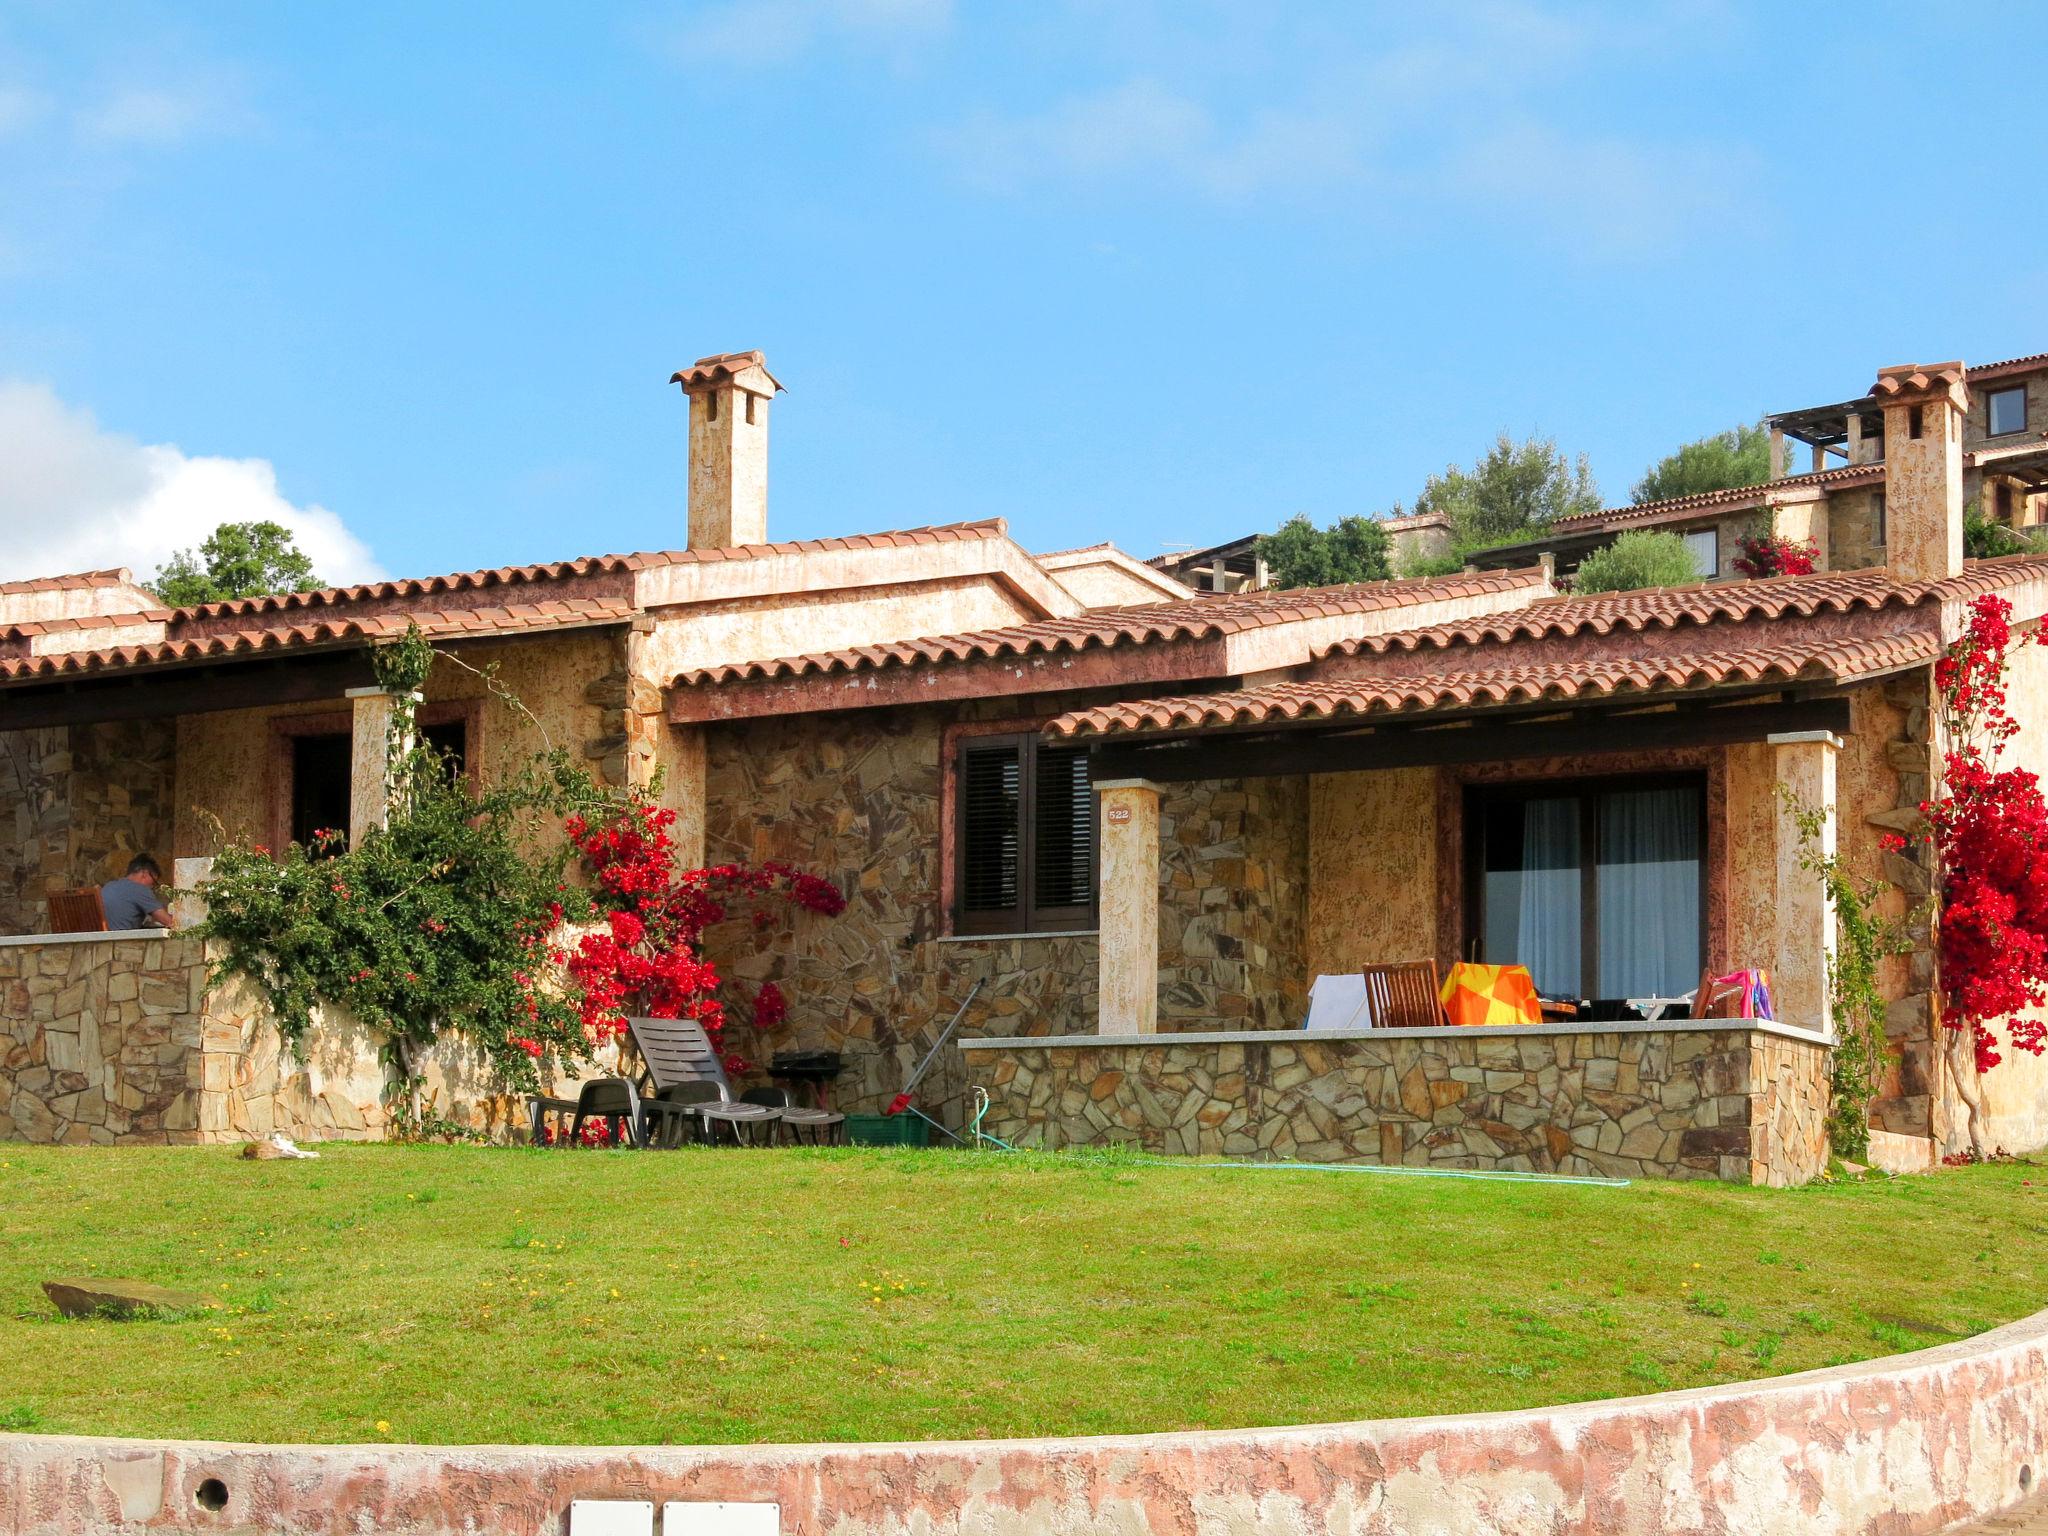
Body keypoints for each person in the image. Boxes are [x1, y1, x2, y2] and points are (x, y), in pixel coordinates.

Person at [100, 854, 177, 932]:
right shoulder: (140, 889)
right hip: (121, 941)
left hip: (98, 939)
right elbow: (169, 922)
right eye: (153, 882)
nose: (152, 887)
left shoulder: (109, 886)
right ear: (144, 873)